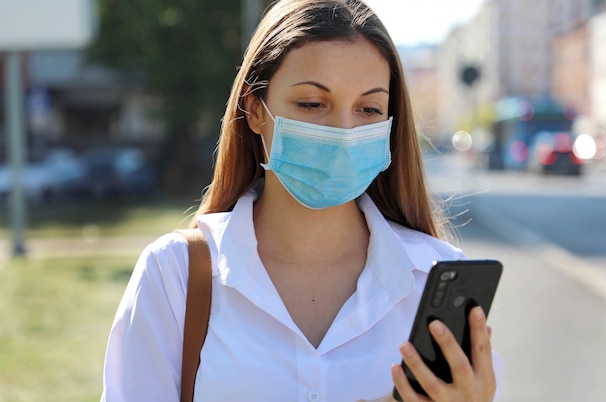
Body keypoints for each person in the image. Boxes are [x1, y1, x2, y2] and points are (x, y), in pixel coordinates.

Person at [100, 0, 504, 400]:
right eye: (312, 104)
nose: (344, 131)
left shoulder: (437, 282)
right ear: (255, 110)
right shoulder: (175, 275)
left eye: (369, 108)